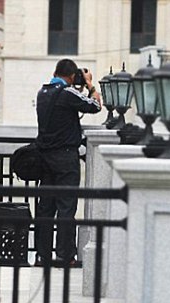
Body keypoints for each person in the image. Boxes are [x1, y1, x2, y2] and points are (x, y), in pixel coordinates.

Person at [34, 59, 102, 264]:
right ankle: (65, 256)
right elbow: (96, 106)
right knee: (66, 207)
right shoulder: (67, 93)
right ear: (72, 77)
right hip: (65, 158)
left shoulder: (42, 93)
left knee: (45, 208)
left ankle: (42, 256)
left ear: (56, 72)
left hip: (45, 157)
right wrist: (90, 85)